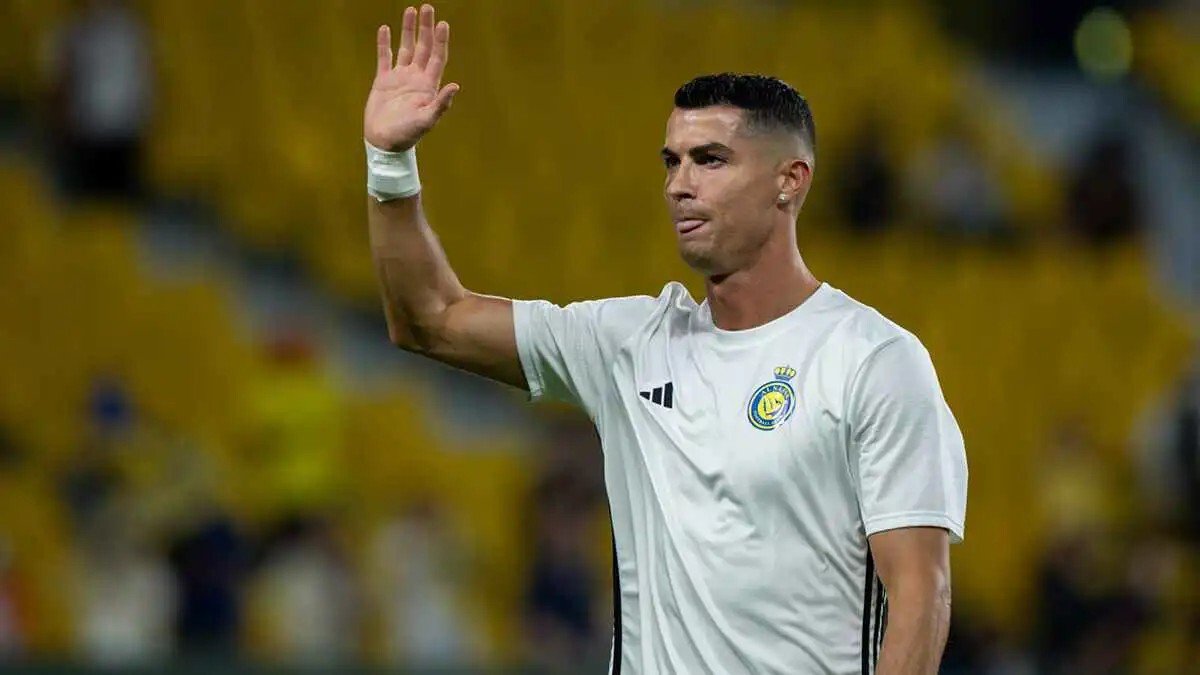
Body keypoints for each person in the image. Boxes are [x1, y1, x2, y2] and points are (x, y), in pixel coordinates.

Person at [361, 5, 968, 673]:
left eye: (710, 160)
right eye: (672, 162)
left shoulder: (872, 361)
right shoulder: (629, 345)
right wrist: (389, 163)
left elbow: (922, 592)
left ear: (789, 181)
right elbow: (429, 318)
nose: (680, 185)